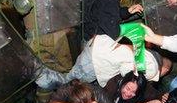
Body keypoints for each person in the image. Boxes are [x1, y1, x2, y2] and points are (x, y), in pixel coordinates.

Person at [35, 34, 169, 89]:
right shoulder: (142, 65)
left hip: (96, 47)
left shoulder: (142, 51)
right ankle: (36, 73)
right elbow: (125, 72)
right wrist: (133, 73)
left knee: (70, 79)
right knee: (67, 83)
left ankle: (38, 72)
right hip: (93, 63)